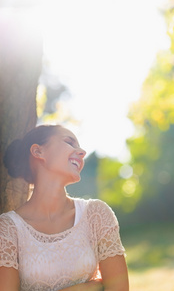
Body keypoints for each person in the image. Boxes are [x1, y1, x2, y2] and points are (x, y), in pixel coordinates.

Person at [0, 124, 129, 291]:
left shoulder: (96, 214)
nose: (82, 152)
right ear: (38, 152)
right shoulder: (8, 229)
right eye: (70, 142)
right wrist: (87, 288)